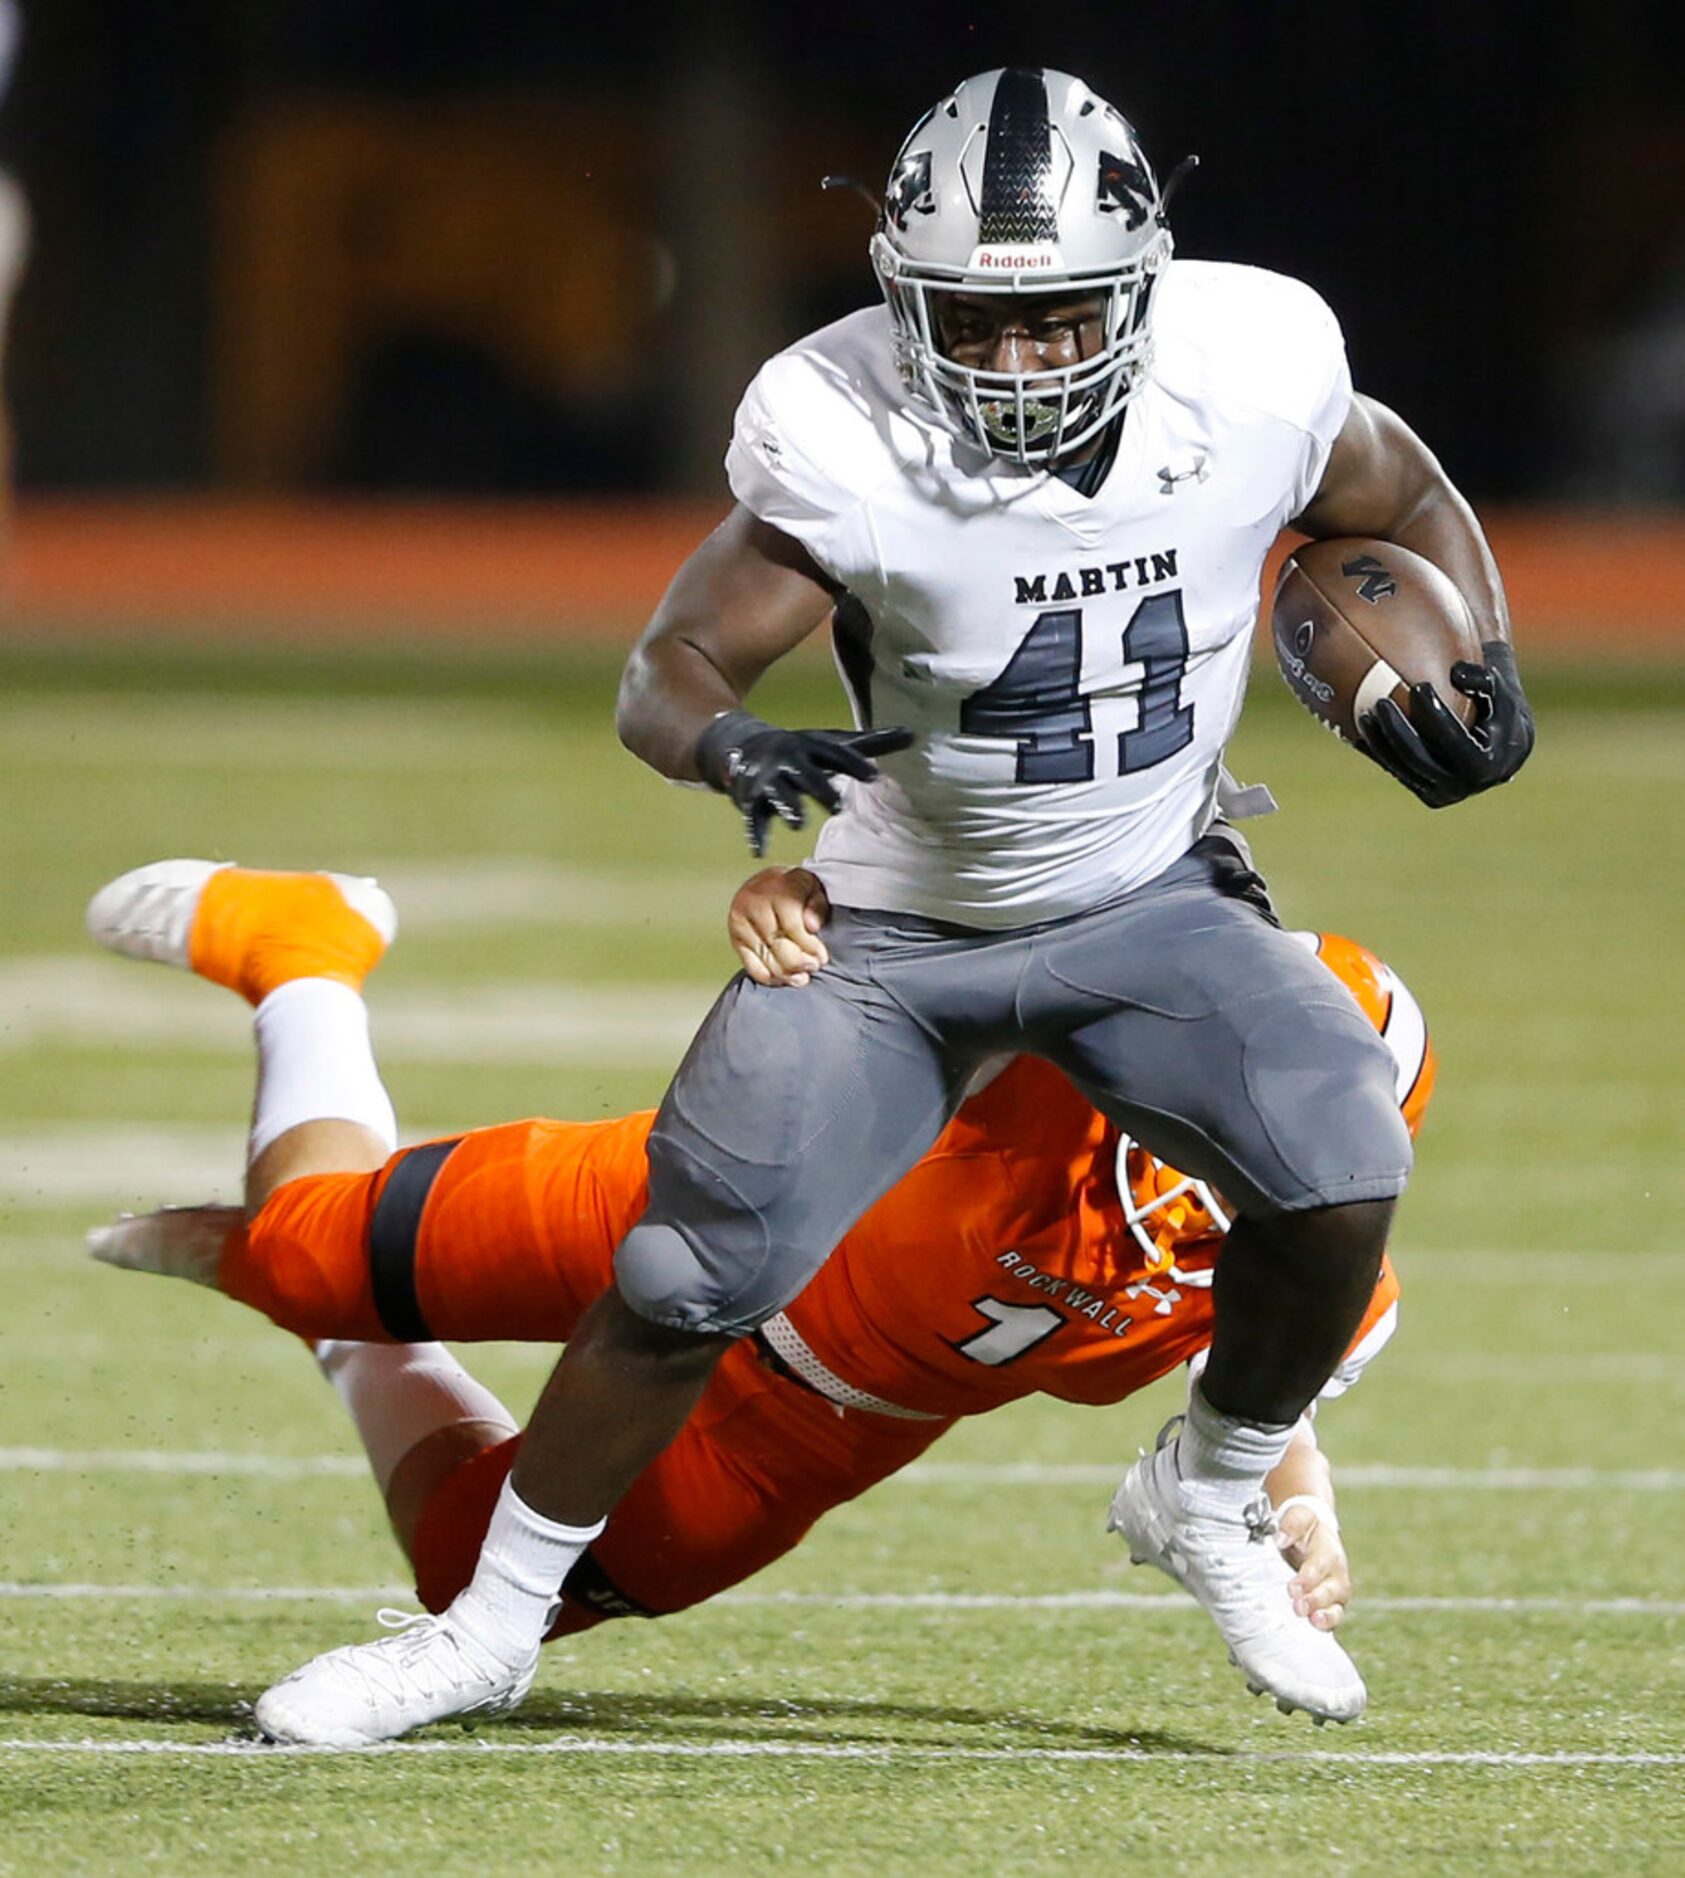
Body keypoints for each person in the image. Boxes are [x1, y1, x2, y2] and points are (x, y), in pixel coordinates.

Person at [179, 65, 1532, 1747]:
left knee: (1341, 1168)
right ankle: (484, 1630)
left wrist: (1481, 657)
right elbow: (667, 663)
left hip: (1146, 892)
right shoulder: (839, 426)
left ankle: (1211, 1487)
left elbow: (1394, 494)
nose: (1019, 357)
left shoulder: (1251, 371)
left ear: (1139, 290)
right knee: (683, 1277)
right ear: (904, 297)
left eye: (1055, 319)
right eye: (971, 319)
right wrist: (728, 739)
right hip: (900, 927)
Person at [86, 859, 1434, 1740]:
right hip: (695, 1212)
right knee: (302, 1253)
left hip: (810, 1428)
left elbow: (1259, 1378)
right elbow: (926, 889)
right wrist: (802, 898)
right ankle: (302, 955)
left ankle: (362, 1340)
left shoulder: (1312, 1260)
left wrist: (1299, 1509)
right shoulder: (1066, 1018)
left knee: (462, 1553)